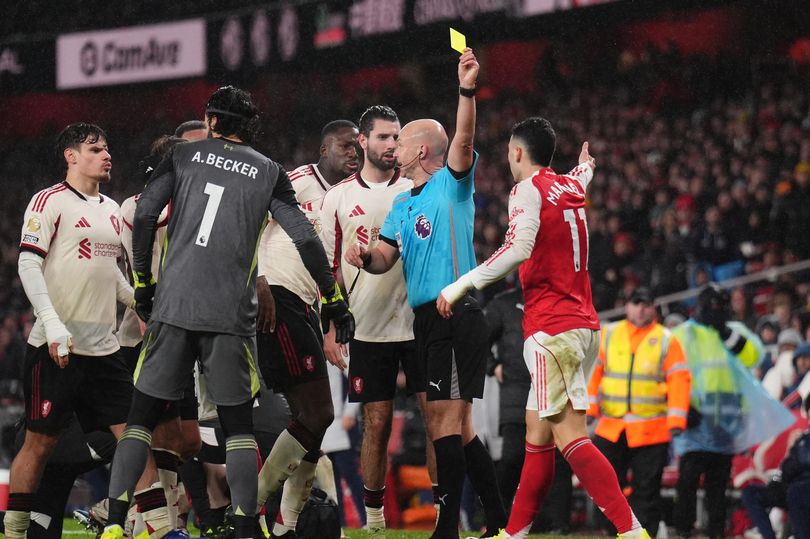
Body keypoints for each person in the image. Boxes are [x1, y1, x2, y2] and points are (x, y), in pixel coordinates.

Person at [98, 86, 354, 539]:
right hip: (230, 315)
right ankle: (244, 525)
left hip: (174, 308)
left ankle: (117, 523)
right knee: (237, 427)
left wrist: (143, 285)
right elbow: (305, 238)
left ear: (211, 120)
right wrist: (333, 297)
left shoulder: (181, 156)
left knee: (139, 421)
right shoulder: (269, 170)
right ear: (249, 124)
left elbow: (144, 217)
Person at [434, 116, 652, 539]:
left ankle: (632, 531)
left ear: (517, 152)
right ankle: (513, 533)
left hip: (553, 330)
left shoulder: (526, 190)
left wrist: (462, 284)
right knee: (538, 434)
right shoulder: (568, 187)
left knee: (572, 439)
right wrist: (586, 166)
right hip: (582, 327)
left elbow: (518, 248)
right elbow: (580, 179)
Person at [345, 48, 506, 539]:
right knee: (461, 426)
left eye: (404, 138)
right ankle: (499, 521)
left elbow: (463, 136)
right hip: (426, 320)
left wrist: (466, 88)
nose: (394, 146)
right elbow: (384, 260)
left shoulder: (452, 186)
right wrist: (362, 256)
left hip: (455, 311)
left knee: (445, 422)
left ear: (420, 151)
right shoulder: (400, 202)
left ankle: (448, 530)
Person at [4, 123, 164, 539]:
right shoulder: (49, 200)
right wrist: (53, 324)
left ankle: (164, 531)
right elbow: (27, 264)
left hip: (104, 349)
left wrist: (140, 302)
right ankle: (16, 532)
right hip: (57, 345)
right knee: (39, 445)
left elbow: (110, 271)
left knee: (134, 438)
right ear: (71, 156)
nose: (106, 154)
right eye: (95, 148)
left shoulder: (111, 209)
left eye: (108, 148)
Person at [320, 105, 434, 539]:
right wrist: (331, 327)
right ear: (363, 141)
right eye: (384, 137)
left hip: (420, 321)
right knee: (377, 422)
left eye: (396, 137)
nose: (391, 145)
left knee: (435, 419)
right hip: (366, 325)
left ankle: (443, 514)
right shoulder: (339, 197)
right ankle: (373, 521)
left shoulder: (417, 188)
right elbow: (327, 269)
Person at [254, 119, 360, 538]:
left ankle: (286, 526)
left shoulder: (347, 199)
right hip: (278, 298)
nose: (354, 152)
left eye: (357, 147)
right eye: (346, 145)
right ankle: (252, 507)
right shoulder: (295, 181)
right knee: (318, 413)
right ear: (323, 149)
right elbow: (250, 228)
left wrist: (331, 323)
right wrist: (259, 279)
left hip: (308, 308)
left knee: (312, 426)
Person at [671, 283, 789, 539]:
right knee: (688, 480)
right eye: (712, 305)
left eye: (720, 305)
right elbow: (668, 368)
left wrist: (725, 332)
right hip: (694, 421)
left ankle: (715, 532)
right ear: (700, 306)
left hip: (726, 424)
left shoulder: (733, 331)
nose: (716, 310)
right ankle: (682, 530)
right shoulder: (684, 334)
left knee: (717, 484)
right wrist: (681, 407)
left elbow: (754, 356)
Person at [587, 286, 691, 536]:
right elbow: (594, 371)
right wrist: (590, 407)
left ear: (654, 307)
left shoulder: (666, 339)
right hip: (612, 427)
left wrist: (677, 419)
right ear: (627, 306)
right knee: (608, 486)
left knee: (648, 490)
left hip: (651, 429)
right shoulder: (610, 334)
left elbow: (679, 379)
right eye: (637, 303)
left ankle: (645, 534)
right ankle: (612, 532)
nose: (641, 308)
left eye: (646, 304)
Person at [741, 397, 810, 539]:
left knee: (796, 492)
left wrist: (794, 466)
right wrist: (778, 481)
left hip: (802, 489)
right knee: (752, 493)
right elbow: (788, 465)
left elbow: (801, 462)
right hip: (793, 485)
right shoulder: (802, 438)